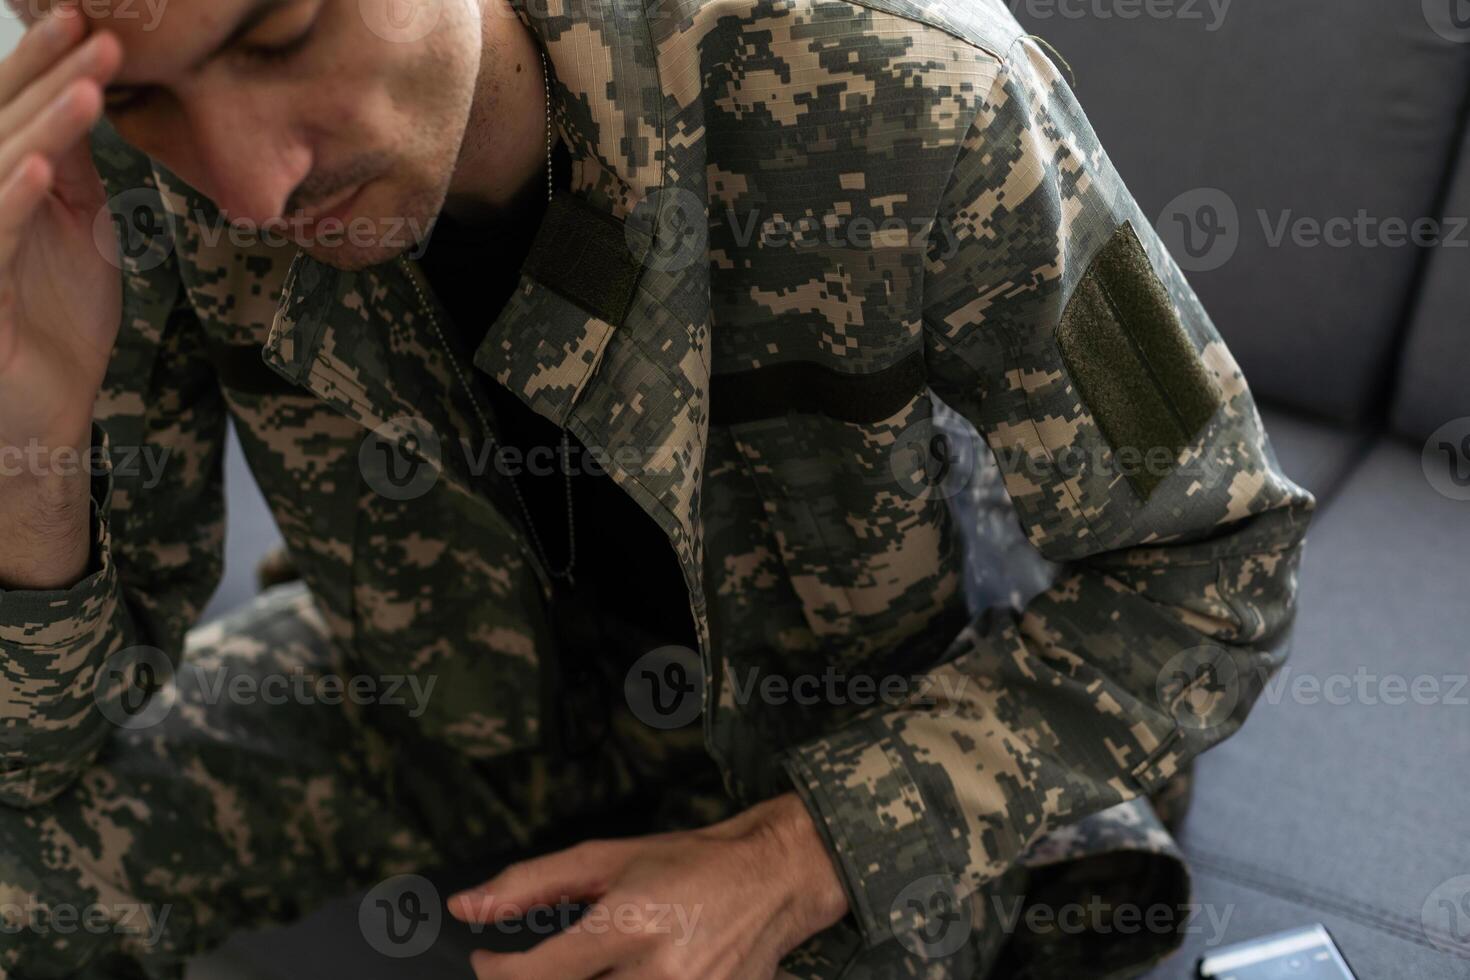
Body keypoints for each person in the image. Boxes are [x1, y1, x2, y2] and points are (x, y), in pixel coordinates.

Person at [0, 0, 1315, 975]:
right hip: (439, 694)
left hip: (854, 730)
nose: (248, 182)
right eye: (144, 99)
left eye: (282, 30)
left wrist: (794, 856)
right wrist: (29, 442)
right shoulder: (114, 191)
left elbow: (1215, 568)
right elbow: (37, 750)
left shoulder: (901, 78)